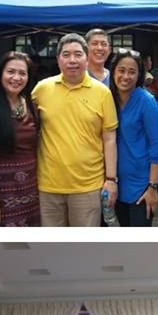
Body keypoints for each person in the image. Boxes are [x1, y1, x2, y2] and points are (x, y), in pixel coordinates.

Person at [32, 34, 119, 226]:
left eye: (78, 54)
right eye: (66, 54)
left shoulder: (102, 92)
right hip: (48, 186)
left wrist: (111, 179)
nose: (72, 60)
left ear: (87, 59)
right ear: (58, 59)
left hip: (87, 187)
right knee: (51, 248)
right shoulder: (42, 89)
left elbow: (109, 139)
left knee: (84, 249)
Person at [0, 51, 41, 227]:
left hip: (30, 193)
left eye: (22, 73)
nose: (16, 78)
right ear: (1, 74)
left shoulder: (32, 106)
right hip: (0, 194)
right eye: (11, 72)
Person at [108, 49, 158, 226]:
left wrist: (153, 187)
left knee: (139, 246)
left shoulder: (146, 101)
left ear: (139, 75)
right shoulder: (107, 99)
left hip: (141, 187)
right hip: (115, 185)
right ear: (113, 71)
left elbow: (157, 146)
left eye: (132, 72)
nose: (126, 76)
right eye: (121, 70)